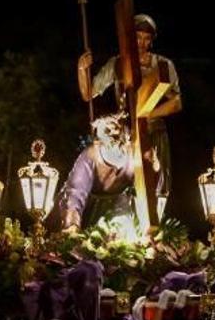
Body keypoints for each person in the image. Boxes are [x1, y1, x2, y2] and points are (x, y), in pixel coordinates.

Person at [77, 13, 182, 203]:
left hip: (153, 131)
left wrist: (146, 114)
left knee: (156, 186)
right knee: (128, 184)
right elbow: (88, 93)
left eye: (146, 38)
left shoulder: (163, 65)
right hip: (126, 135)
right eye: (138, 37)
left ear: (151, 41)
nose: (141, 43)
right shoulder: (117, 64)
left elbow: (176, 102)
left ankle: (155, 228)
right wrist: (82, 69)